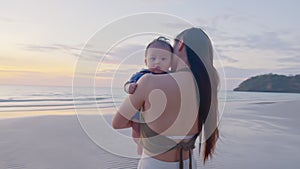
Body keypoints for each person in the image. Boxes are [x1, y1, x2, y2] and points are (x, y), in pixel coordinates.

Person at [112, 27, 219, 169]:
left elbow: (117, 123)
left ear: (180, 44)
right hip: (188, 163)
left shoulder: (149, 81)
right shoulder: (207, 84)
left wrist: (144, 122)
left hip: (154, 164)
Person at [124, 36, 173, 155]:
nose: (157, 62)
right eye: (153, 58)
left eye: (163, 59)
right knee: (136, 131)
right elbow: (126, 84)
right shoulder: (141, 75)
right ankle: (140, 146)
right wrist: (129, 87)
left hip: (158, 111)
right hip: (140, 111)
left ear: (171, 63)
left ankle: (150, 147)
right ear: (146, 61)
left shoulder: (171, 77)